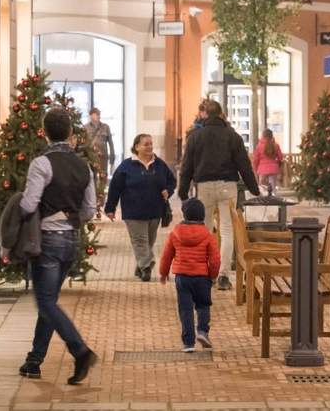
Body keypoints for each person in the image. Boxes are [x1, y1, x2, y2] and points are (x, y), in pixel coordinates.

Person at [17, 108, 99, 384]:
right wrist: (69, 217)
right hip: (70, 241)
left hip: (47, 240)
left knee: (46, 302)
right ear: (71, 134)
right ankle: (34, 360)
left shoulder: (41, 163)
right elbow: (89, 209)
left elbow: (29, 204)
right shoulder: (83, 166)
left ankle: (80, 350)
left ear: (45, 131)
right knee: (48, 300)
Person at [177, 99, 260, 291]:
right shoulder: (232, 136)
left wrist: (182, 191)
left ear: (204, 114)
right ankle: (223, 275)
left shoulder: (195, 137)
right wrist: (253, 188)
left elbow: (187, 166)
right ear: (222, 114)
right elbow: (244, 165)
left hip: (204, 187)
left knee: (204, 231)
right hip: (227, 185)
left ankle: (206, 273)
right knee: (227, 230)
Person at [104, 133, 177, 282]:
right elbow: (115, 188)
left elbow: (171, 181)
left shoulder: (159, 164)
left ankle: (140, 266)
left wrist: (167, 191)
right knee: (140, 241)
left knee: (149, 241)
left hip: (155, 211)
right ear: (137, 147)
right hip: (133, 211)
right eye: (146, 144)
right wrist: (110, 208)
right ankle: (146, 267)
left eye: (151, 144)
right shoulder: (126, 166)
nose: (150, 146)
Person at [159, 197, 221, 352]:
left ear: (185, 215)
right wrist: (213, 275)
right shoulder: (207, 235)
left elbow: (167, 255)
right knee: (203, 305)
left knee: (185, 309)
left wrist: (163, 272)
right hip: (202, 277)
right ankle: (202, 331)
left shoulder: (175, 233)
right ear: (202, 216)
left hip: (182, 277)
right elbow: (215, 259)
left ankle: (188, 343)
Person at [86, 107, 116, 212]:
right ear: (90, 115)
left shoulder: (105, 127)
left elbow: (111, 143)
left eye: (98, 114)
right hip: (91, 157)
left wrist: (112, 158)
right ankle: (94, 200)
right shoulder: (86, 128)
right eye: (94, 114)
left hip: (103, 157)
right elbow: (84, 144)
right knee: (92, 177)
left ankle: (101, 199)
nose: (97, 116)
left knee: (103, 178)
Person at [251, 128, 284, 196]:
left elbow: (255, 160)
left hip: (262, 170)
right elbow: (280, 158)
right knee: (273, 189)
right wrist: (276, 163)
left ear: (263, 136)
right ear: (272, 135)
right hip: (274, 169)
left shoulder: (259, 146)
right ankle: (274, 203)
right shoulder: (276, 145)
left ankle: (266, 204)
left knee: (263, 189)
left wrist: (255, 170)